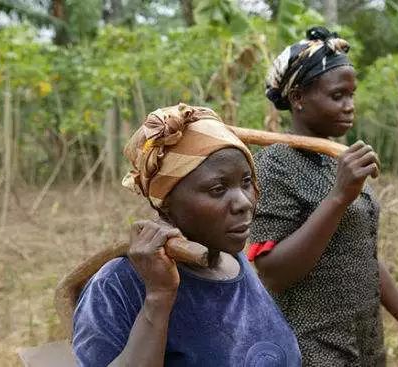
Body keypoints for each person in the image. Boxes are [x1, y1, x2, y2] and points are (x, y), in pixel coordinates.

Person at [247, 27, 398, 367]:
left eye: (352, 95)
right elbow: (271, 274)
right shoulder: (274, 165)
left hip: (364, 345)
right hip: (311, 347)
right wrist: (339, 197)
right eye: (337, 96)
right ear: (298, 99)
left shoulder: (338, 159)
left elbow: (359, 252)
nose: (349, 106)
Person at [72, 104, 301, 367]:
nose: (244, 202)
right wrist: (158, 296)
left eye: (246, 182)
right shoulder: (117, 285)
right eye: (217, 188)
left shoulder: (233, 261)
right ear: (166, 202)